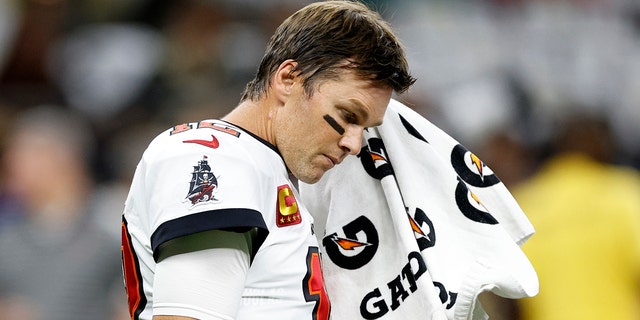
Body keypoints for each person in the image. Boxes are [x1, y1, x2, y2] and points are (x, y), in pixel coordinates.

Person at [120, 1, 415, 319]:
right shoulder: (215, 158)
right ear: (288, 78)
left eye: (364, 128)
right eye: (347, 115)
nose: (354, 144)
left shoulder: (266, 168)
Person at [0, 106, 126, 320]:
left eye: (20, 153)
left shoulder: (114, 217)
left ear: (59, 157)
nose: (9, 163)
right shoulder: (9, 232)